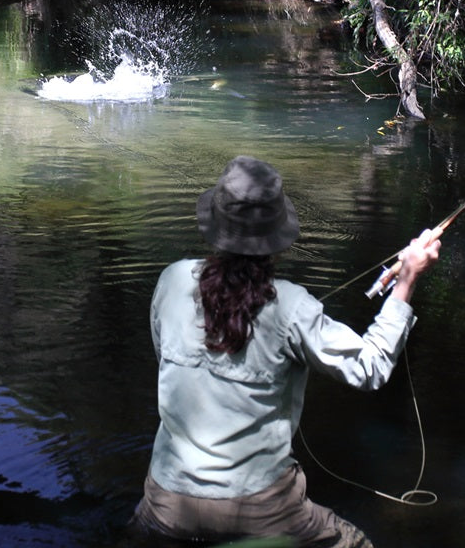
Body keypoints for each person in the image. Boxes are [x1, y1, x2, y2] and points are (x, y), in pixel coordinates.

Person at [130, 155, 442, 547]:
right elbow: (371, 366)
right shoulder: (292, 307)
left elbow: (163, 358)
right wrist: (407, 279)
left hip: (167, 504)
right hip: (262, 511)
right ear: (276, 237)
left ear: (217, 227)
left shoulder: (172, 280)